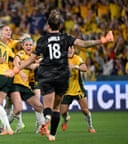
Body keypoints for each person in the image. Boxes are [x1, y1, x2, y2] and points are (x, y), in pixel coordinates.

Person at [7, 9, 114, 141]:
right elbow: (84, 44)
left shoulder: (42, 40)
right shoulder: (65, 38)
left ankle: (46, 119)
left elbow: (29, 60)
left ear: (48, 25)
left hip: (46, 75)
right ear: (60, 26)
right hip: (62, 75)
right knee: (56, 107)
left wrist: (15, 70)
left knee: (48, 107)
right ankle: (52, 135)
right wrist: (104, 40)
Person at [60, 45, 96, 133]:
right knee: (63, 112)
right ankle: (66, 119)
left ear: (74, 49)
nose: (70, 50)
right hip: (66, 91)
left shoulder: (77, 58)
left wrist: (76, 67)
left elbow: (85, 68)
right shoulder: (61, 59)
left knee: (85, 110)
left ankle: (90, 126)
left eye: (71, 48)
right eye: (67, 49)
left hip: (78, 89)